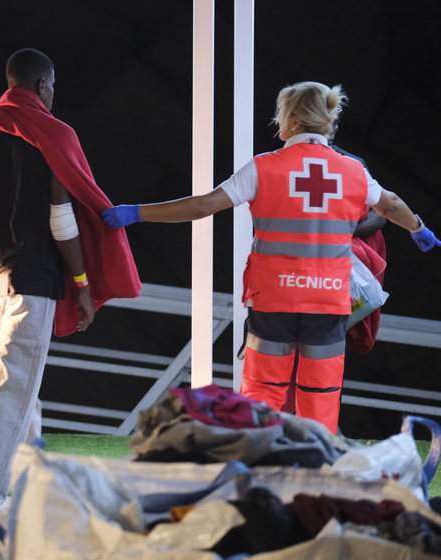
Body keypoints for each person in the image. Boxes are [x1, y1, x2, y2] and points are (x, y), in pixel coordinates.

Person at [102, 81, 440, 434]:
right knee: (320, 393)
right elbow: (391, 205)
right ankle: (314, 468)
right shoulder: (353, 171)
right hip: (327, 302)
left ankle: (255, 468)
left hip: (274, 300)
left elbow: (203, 205)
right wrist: (418, 228)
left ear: (292, 120)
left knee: (263, 393)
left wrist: (137, 212)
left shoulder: (263, 167)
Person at [0, 48, 141, 538]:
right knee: (12, 397)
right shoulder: (53, 135)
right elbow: (63, 219)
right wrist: (81, 284)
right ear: (41, 85)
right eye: (52, 87)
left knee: (19, 395)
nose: (54, 96)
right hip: (32, 282)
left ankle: (34, 499)